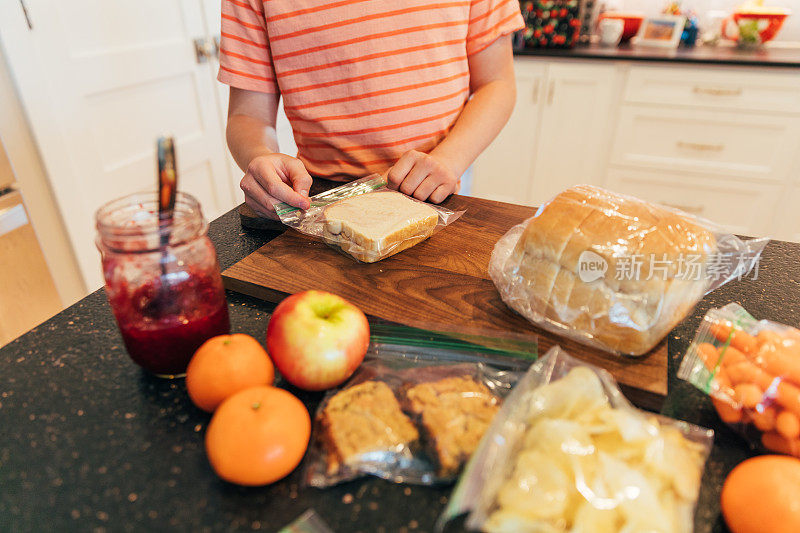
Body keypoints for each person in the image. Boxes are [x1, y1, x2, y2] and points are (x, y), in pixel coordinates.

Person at [219, 0, 524, 218]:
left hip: (443, 184)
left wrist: (450, 159)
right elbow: (247, 115)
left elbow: (496, 83)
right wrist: (260, 157)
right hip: (319, 198)